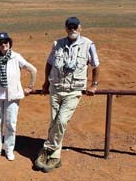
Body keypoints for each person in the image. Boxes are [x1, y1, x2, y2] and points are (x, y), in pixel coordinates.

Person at [35, 17, 100, 173]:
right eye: (69, 26)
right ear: (65, 28)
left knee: (62, 120)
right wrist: (46, 83)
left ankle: (47, 148)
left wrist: (94, 85)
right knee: (54, 121)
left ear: (80, 28)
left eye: (75, 26)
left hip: (73, 90)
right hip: (56, 88)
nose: (72, 29)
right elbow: (49, 63)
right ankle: (55, 157)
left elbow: (96, 66)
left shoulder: (88, 45)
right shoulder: (57, 44)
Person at [0, 32, 37, 161]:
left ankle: (9, 149)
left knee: (10, 123)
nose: (3, 44)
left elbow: (33, 70)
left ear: (9, 43)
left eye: (6, 42)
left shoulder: (16, 57)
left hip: (12, 96)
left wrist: (30, 86)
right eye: (0, 43)